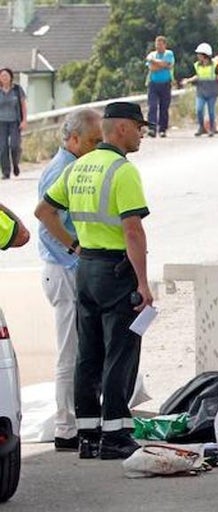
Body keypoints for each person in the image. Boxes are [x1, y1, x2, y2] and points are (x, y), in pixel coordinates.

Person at [34, 102, 152, 461]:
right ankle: (115, 433)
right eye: (138, 127)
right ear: (119, 130)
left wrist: (74, 245)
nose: (142, 134)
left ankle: (88, 434)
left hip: (86, 268)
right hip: (116, 269)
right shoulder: (122, 170)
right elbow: (133, 230)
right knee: (120, 350)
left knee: (88, 353)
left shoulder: (79, 166)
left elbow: (43, 212)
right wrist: (144, 283)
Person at [36, 108, 103, 451]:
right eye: (93, 141)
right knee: (70, 352)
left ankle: (81, 418)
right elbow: (47, 225)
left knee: (83, 350)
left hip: (70, 268)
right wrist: (76, 251)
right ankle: (66, 426)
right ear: (73, 139)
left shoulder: (75, 165)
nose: (97, 147)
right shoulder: (61, 170)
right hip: (63, 270)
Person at [184, 43, 218, 136]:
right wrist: (188, 80)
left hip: (212, 90)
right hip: (201, 90)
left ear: (205, 55)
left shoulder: (214, 64)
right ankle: (201, 127)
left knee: (211, 111)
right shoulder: (197, 65)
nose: (197, 56)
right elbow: (197, 76)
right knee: (199, 109)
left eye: (199, 54)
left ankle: (212, 128)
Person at [145, 36, 175, 138]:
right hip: (153, 84)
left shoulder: (169, 53)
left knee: (164, 107)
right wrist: (162, 65)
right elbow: (152, 68)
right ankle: (152, 129)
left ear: (165, 45)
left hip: (165, 83)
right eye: (157, 44)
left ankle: (162, 129)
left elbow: (168, 64)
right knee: (152, 106)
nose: (158, 47)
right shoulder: (152, 54)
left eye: (160, 44)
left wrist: (156, 62)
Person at [0, 68, 27, 179]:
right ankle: (6, 172)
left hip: (15, 122)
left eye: (6, 75)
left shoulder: (17, 89)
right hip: (1, 123)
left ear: (11, 77)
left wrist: (24, 120)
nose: (4, 78)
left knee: (15, 146)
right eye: (2, 76)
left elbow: (23, 105)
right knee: (2, 147)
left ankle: (15, 164)